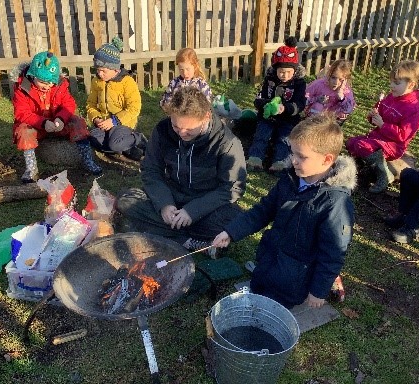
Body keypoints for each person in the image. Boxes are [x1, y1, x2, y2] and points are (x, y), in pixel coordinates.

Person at [213, 112, 356, 309]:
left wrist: (318, 291)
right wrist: (231, 231)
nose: (293, 160)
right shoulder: (290, 179)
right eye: (292, 152)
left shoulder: (335, 203)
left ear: (326, 159)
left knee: (273, 309)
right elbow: (263, 210)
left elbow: (332, 253)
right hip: (270, 259)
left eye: (301, 156)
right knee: (258, 289)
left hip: (295, 278)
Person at [117, 87, 247, 257]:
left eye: (189, 129)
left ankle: (166, 233)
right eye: (176, 126)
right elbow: (151, 169)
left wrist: (192, 211)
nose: (182, 133)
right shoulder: (163, 130)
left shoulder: (227, 143)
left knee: (236, 221)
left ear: (206, 117)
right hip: (173, 196)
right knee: (125, 200)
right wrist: (164, 204)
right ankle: (187, 240)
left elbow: (233, 188)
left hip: (206, 204)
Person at [11, 51, 103, 183]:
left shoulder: (60, 85)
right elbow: (22, 113)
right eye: (43, 82)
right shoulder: (22, 88)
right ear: (32, 76)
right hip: (37, 127)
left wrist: (60, 119)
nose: (47, 86)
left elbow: (69, 104)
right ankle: (31, 168)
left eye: (50, 83)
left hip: (57, 123)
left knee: (78, 122)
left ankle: (87, 159)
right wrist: (43, 123)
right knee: (23, 131)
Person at [346, 60, 419, 193]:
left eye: (397, 83)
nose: (392, 86)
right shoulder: (391, 97)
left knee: (362, 146)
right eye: (392, 82)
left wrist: (383, 125)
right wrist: (373, 116)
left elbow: (403, 135)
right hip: (378, 138)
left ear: (411, 84)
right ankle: (361, 165)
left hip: (394, 145)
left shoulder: (413, 109)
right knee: (351, 142)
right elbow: (380, 113)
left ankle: (384, 174)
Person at [246, 36, 307, 173]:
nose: (284, 75)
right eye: (280, 72)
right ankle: (255, 158)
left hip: (288, 119)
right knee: (261, 134)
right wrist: (266, 104)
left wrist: (286, 108)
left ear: (295, 70)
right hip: (268, 117)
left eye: (288, 72)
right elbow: (259, 97)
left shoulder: (299, 83)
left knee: (284, 139)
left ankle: (280, 162)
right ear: (275, 70)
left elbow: (300, 104)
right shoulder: (270, 79)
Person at [87, 37, 146, 161]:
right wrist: (96, 118)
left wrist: (114, 121)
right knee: (92, 138)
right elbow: (91, 104)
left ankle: (137, 138)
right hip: (104, 123)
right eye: (97, 70)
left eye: (103, 70)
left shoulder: (127, 82)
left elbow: (134, 108)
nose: (100, 74)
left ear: (115, 69)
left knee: (115, 143)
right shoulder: (96, 81)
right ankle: (122, 148)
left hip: (123, 123)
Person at [305, 59, 356, 124]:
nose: (336, 82)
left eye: (341, 79)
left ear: (345, 79)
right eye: (333, 77)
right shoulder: (319, 84)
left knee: (343, 111)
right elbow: (305, 98)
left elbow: (349, 109)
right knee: (318, 105)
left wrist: (341, 98)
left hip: (333, 120)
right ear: (329, 75)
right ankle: (314, 125)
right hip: (315, 117)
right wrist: (317, 99)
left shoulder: (346, 90)